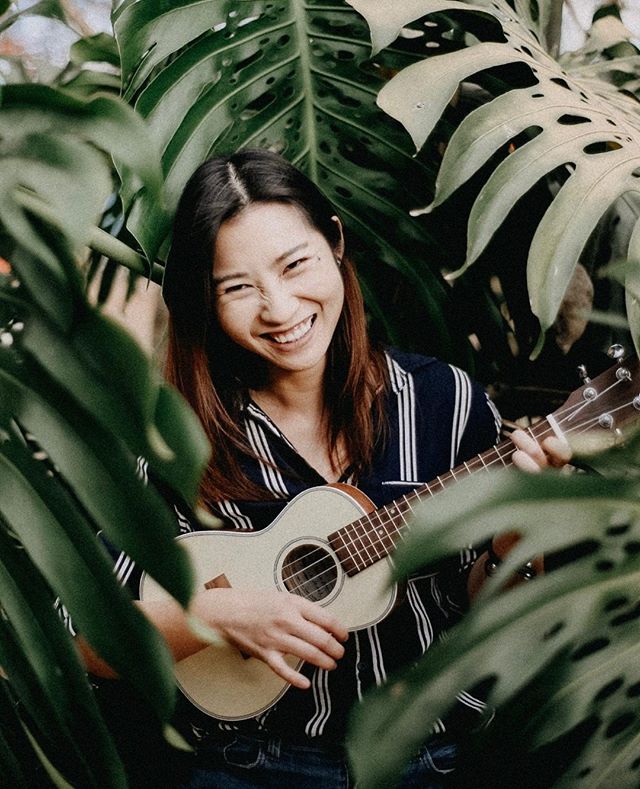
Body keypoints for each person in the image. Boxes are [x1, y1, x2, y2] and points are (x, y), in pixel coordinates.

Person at [84, 149, 570, 787]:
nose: (280, 308)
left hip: (429, 759)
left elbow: (482, 605)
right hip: (250, 766)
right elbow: (88, 641)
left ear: (335, 243)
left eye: (295, 265)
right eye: (238, 287)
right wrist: (214, 616)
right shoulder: (180, 436)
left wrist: (516, 535)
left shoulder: (443, 402)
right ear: (205, 298)